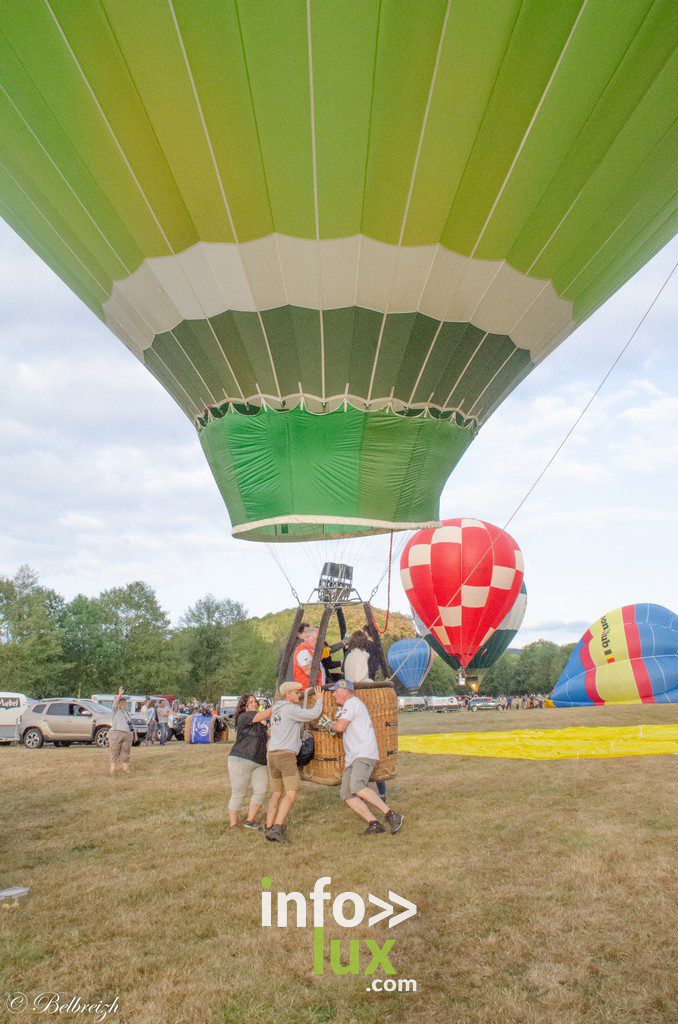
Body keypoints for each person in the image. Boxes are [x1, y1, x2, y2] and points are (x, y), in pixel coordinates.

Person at [328, 680, 403, 836]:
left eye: (336, 691)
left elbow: (340, 727)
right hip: (353, 756)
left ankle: (391, 814)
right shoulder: (351, 705)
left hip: (363, 753)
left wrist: (329, 725)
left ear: (345, 691)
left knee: (357, 786)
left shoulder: (351, 703)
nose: (333, 694)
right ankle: (374, 823)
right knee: (346, 794)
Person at [265, 682, 323, 842]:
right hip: (285, 755)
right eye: (296, 692)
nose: (299, 695)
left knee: (277, 793)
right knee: (290, 794)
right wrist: (319, 699)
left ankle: (268, 826)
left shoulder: (276, 709)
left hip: (272, 754)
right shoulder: (291, 709)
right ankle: (277, 828)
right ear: (288, 694)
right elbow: (313, 714)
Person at [228, 694, 272, 830]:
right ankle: (233, 824)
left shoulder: (260, 722)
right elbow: (264, 714)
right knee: (239, 793)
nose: (254, 704)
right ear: (244, 706)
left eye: (255, 701)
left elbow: (270, 735)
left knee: (261, 790)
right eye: (251, 702)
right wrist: (280, 705)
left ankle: (250, 820)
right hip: (241, 758)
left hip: (259, 761)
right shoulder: (244, 717)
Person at [108, 686, 134, 776]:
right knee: (115, 751)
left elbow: (131, 724)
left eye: (124, 702)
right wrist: (119, 694)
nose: (123, 703)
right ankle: (113, 769)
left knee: (126, 751)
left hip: (127, 734)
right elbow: (115, 702)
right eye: (121, 702)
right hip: (116, 733)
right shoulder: (115, 710)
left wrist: (134, 734)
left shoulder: (127, 712)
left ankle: (125, 768)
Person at [293, 625, 325, 690]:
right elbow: (310, 672)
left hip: (313, 689)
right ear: (307, 637)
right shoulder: (303, 652)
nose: (319, 642)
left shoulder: (309, 650)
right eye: (316, 639)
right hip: (308, 691)